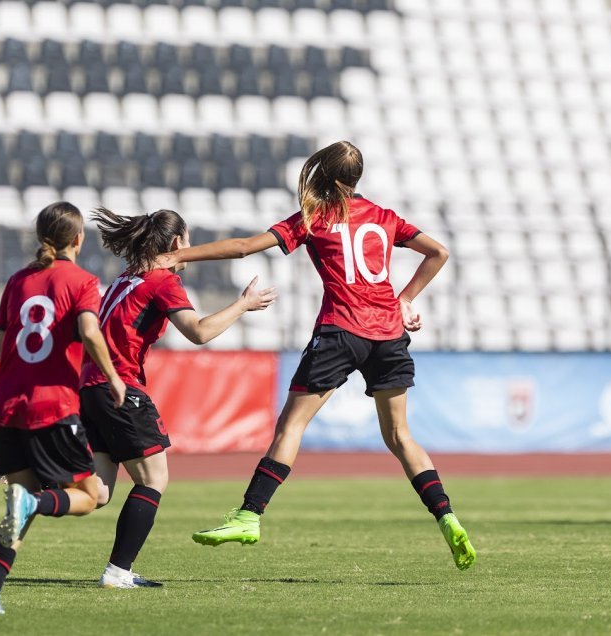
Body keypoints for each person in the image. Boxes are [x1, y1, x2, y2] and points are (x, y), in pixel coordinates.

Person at [157, 141, 475, 571]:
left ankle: (249, 515)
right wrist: (404, 299)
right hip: (388, 334)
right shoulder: (384, 218)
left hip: (342, 331)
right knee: (401, 437)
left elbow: (245, 246)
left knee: (291, 425)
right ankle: (447, 517)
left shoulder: (314, 217)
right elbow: (439, 252)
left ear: (320, 174)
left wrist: (178, 254)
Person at [79, 207, 276, 589]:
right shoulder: (161, 281)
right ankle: (117, 573)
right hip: (121, 388)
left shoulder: (124, 278)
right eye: (187, 240)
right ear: (176, 243)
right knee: (154, 480)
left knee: (98, 492)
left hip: (90, 388)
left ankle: (26, 483)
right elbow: (198, 333)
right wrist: (243, 305)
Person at [0, 202, 126, 616]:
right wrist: (113, 377)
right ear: (79, 238)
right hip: (52, 407)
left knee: (20, 502)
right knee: (88, 494)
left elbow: (0, 346)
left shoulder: (17, 280)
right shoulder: (82, 281)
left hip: (6, 408)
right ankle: (34, 504)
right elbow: (88, 330)